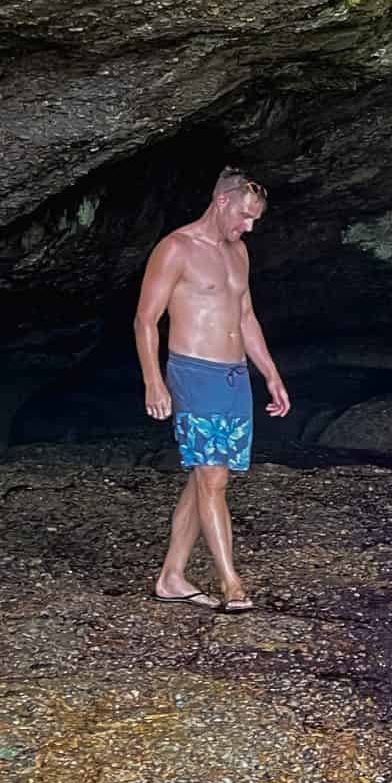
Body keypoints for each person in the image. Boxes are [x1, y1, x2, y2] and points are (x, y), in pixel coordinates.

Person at [134, 167, 291, 612]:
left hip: (233, 376)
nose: (249, 226)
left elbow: (245, 317)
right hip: (193, 373)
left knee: (203, 474)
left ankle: (171, 576)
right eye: (245, 216)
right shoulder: (176, 248)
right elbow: (146, 319)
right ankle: (231, 583)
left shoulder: (238, 253)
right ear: (221, 202)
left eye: (254, 219)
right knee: (214, 476)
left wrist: (271, 374)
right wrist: (153, 380)